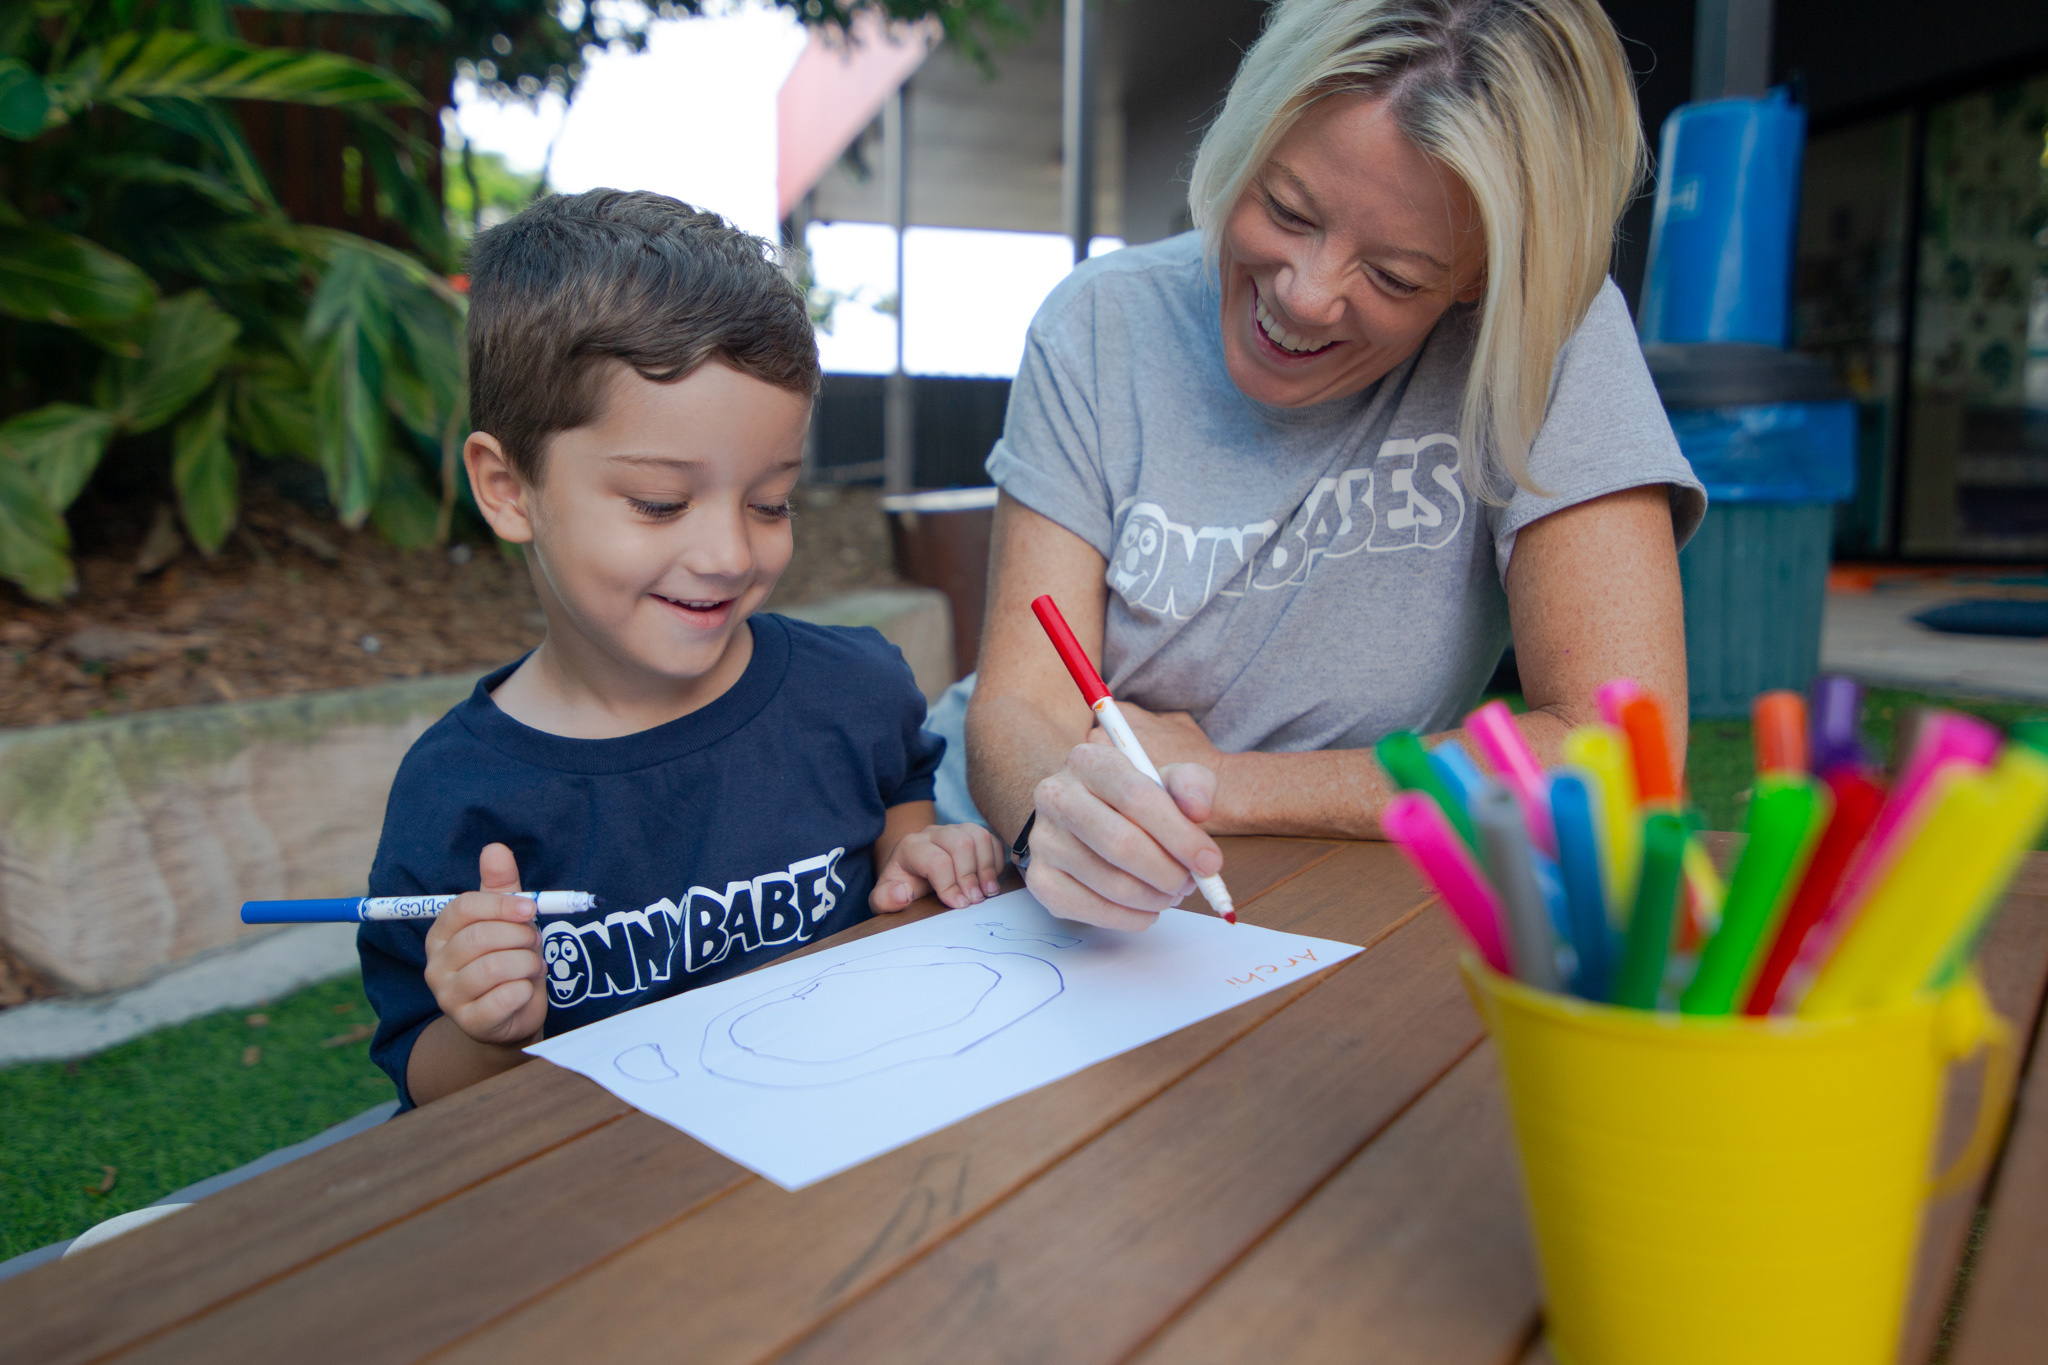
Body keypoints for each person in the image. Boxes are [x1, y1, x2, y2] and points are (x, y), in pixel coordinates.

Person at [962, 0, 1706, 930]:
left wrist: (1230, 785)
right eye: (1286, 209)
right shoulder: (1100, 325)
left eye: (1395, 276)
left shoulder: (1545, 339)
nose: (1306, 298)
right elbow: (1018, 703)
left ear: (1480, 280)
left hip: (1313, 894)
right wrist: (1052, 822)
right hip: (1023, 882)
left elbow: (1619, 753)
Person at [360, 191, 1005, 1109]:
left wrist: (916, 855)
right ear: (508, 488)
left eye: (771, 501)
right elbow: (423, 1074)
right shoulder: (457, 797)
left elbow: (899, 794)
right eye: (661, 502)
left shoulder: (854, 687)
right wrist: (489, 1032)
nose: (731, 554)